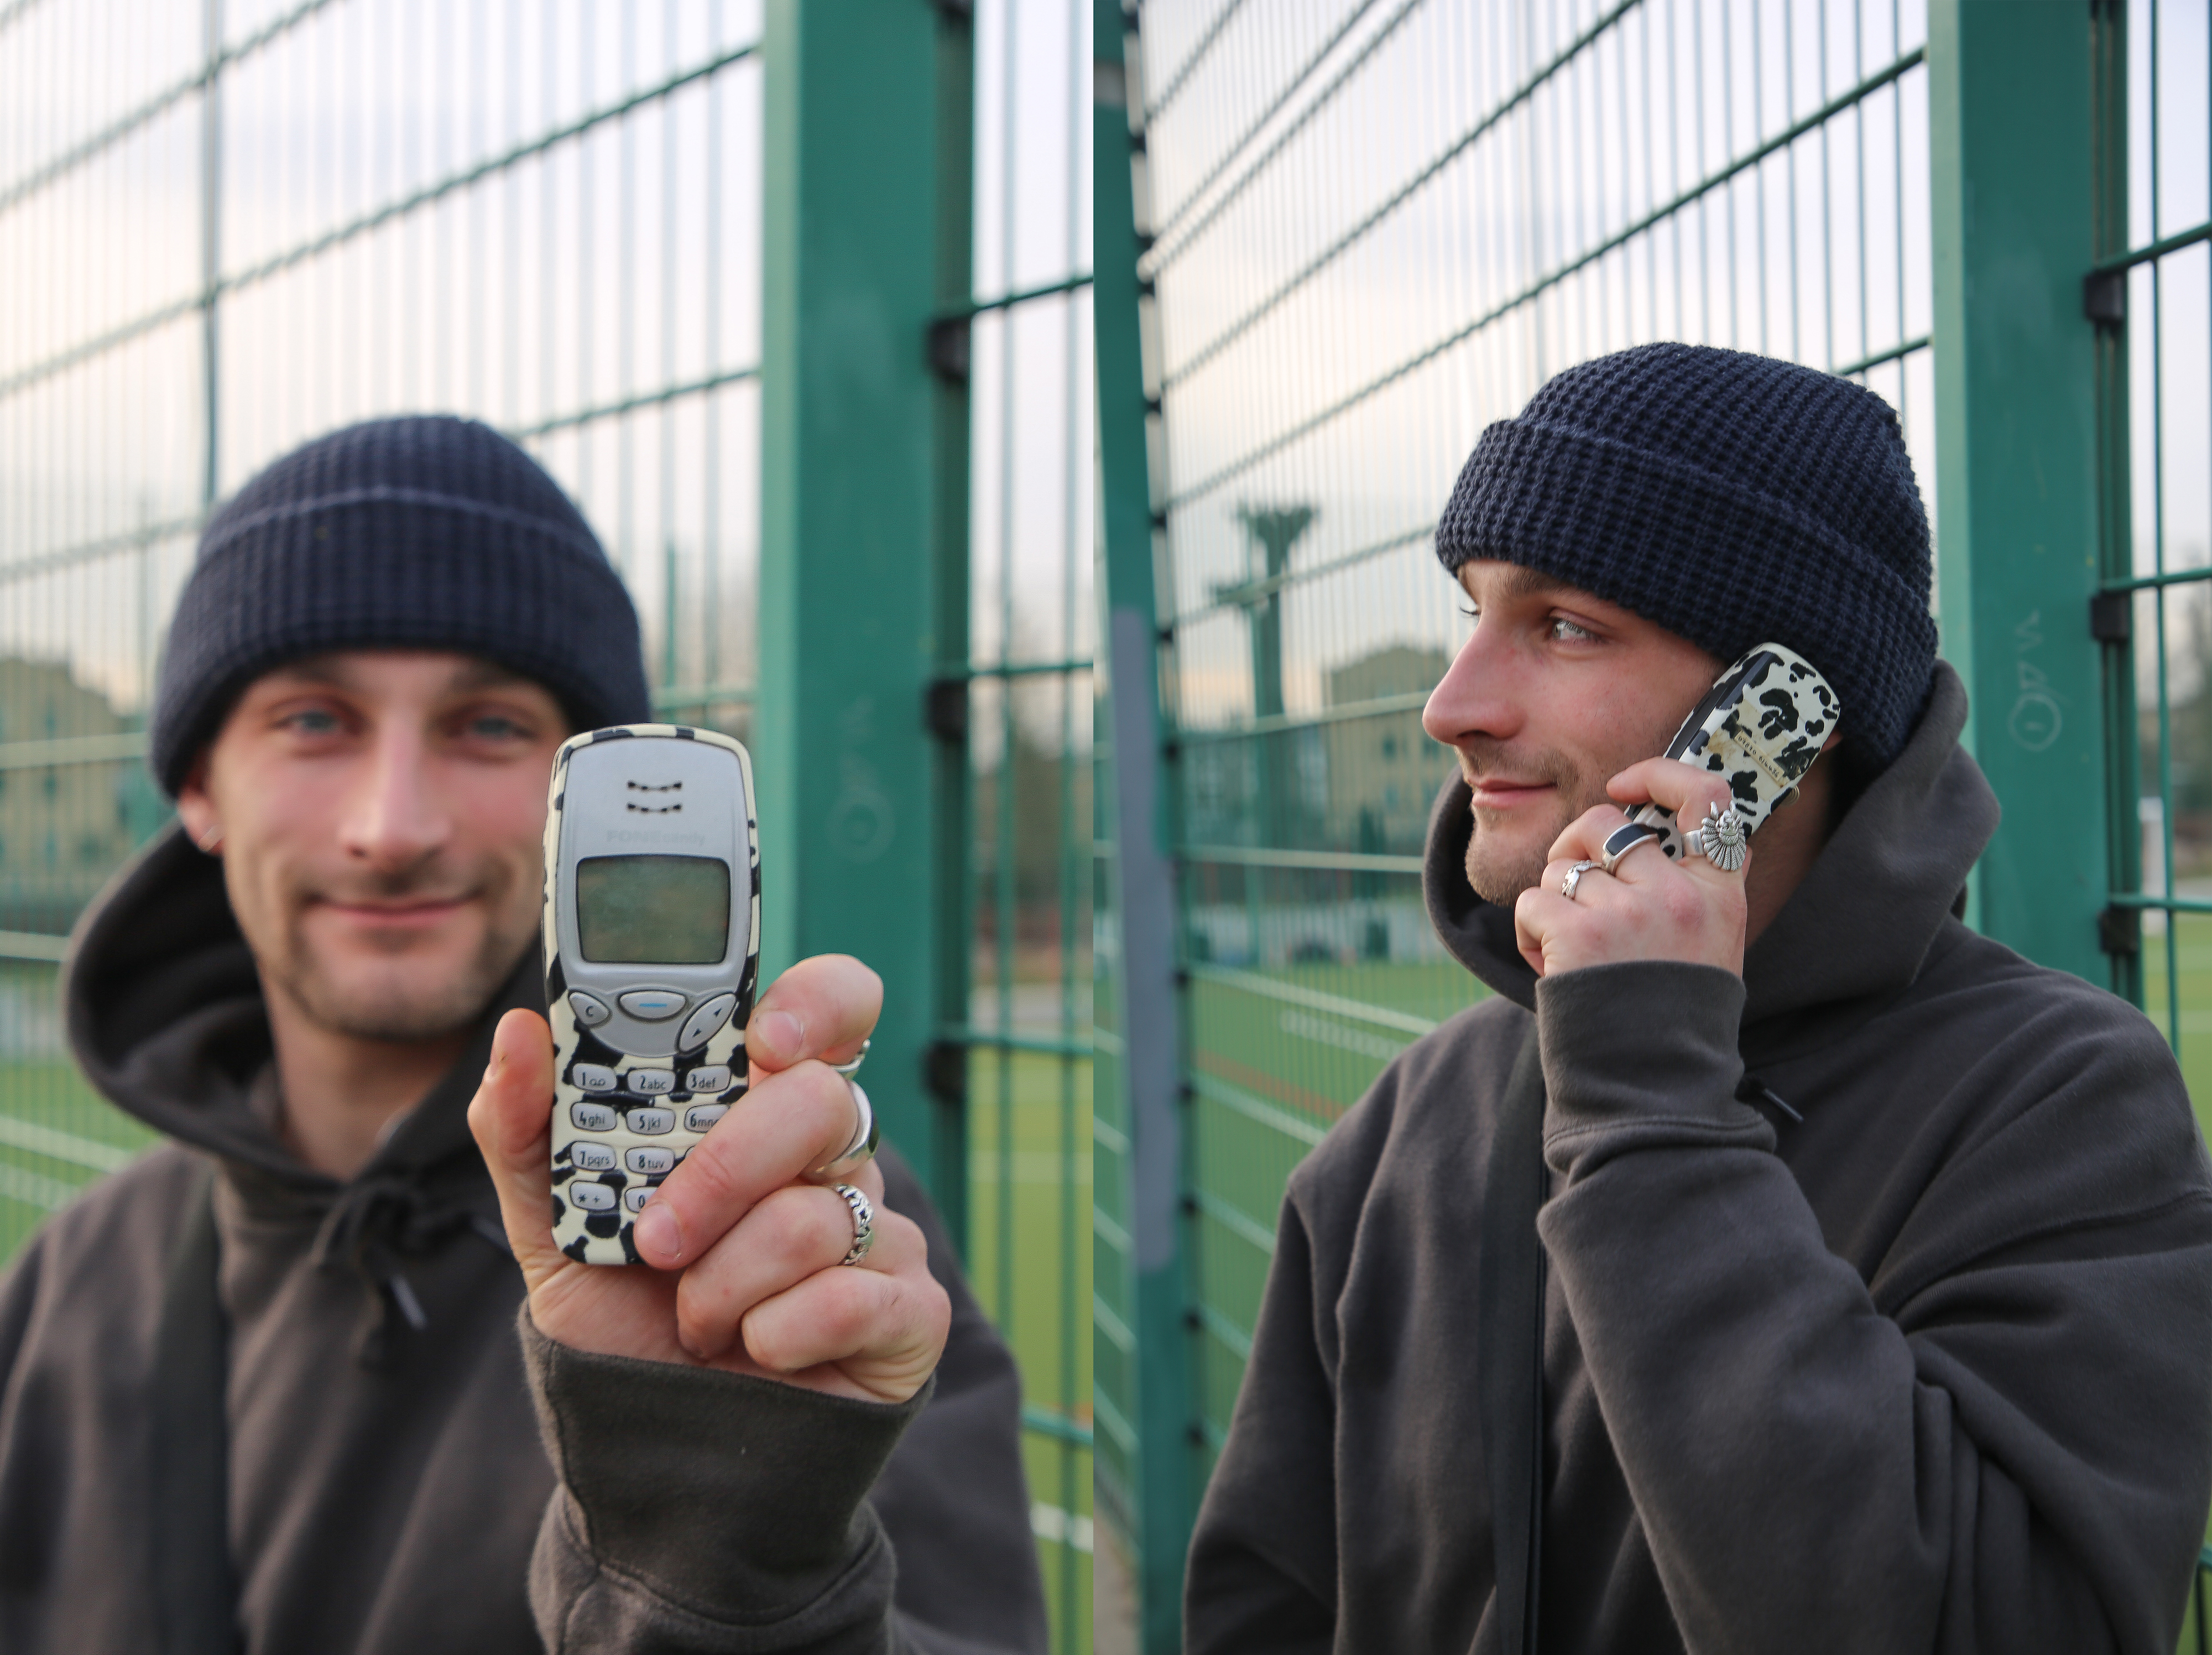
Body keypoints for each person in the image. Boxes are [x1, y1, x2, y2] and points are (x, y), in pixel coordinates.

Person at [1183, 344, 2212, 1653]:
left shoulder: (2055, 1098)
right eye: (1472, 613)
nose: (1452, 706)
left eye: (1561, 625)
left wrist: (1652, 1109)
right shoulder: (1401, 1130)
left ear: (1777, 712)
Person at [0, 415, 1047, 1653]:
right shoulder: (65, 1292)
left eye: (488, 724)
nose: (394, 826)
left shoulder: (796, 1254)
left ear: (582, 799)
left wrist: (732, 1561)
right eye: (313, 721)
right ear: (196, 787)